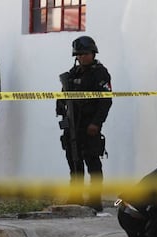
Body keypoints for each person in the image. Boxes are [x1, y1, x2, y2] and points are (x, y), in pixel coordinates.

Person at [56, 36, 112, 212]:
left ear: (93, 53)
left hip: (89, 124)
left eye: (85, 54)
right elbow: (62, 97)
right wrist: (63, 116)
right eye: (79, 54)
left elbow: (105, 101)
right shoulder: (72, 74)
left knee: (93, 162)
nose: (82, 57)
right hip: (73, 124)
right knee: (73, 161)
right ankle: (76, 195)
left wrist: (97, 123)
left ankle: (95, 200)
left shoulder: (100, 73)